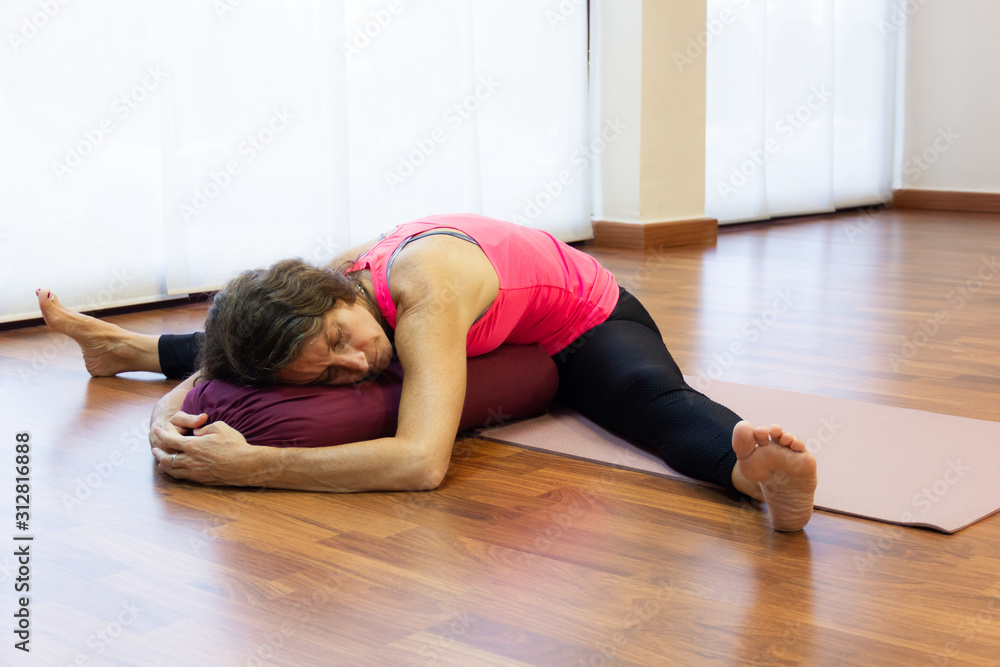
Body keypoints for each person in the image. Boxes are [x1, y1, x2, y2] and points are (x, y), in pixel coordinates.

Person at [36, 213, 817, 531]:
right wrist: (163, 409)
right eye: (330, 372)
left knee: (646, 398)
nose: (355, 361)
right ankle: (124, 350)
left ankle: (754, 478)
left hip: (583, 315)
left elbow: (421, 463)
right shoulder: (329, 299)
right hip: (496, 332)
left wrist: (252, 467)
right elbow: (229, 358)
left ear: (344, 291)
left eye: (344, 336)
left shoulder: (422, 294)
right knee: (246, 334)